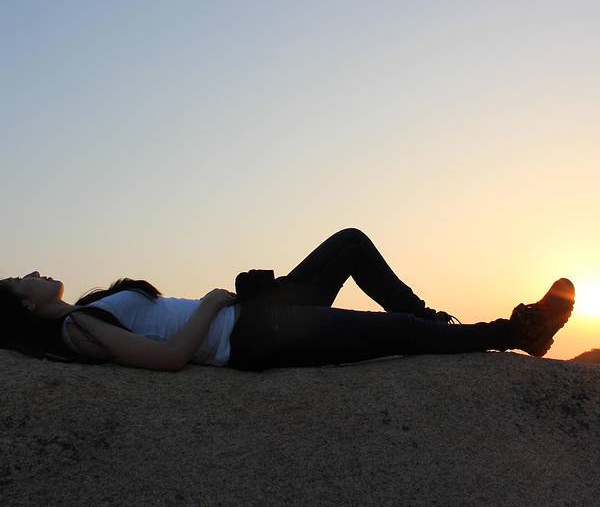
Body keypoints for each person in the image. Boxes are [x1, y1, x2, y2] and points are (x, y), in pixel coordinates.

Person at [0, 228, 575, 372]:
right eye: (20, 279)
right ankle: (515, 331)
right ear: (22, 307)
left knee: (350, 243)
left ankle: (434, 320)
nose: (33, 272)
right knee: (393, 332)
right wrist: (211, 304)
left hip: (258, 309)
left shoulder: (89, 309)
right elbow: (168, 357)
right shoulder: (79, 330)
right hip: (250, 335)